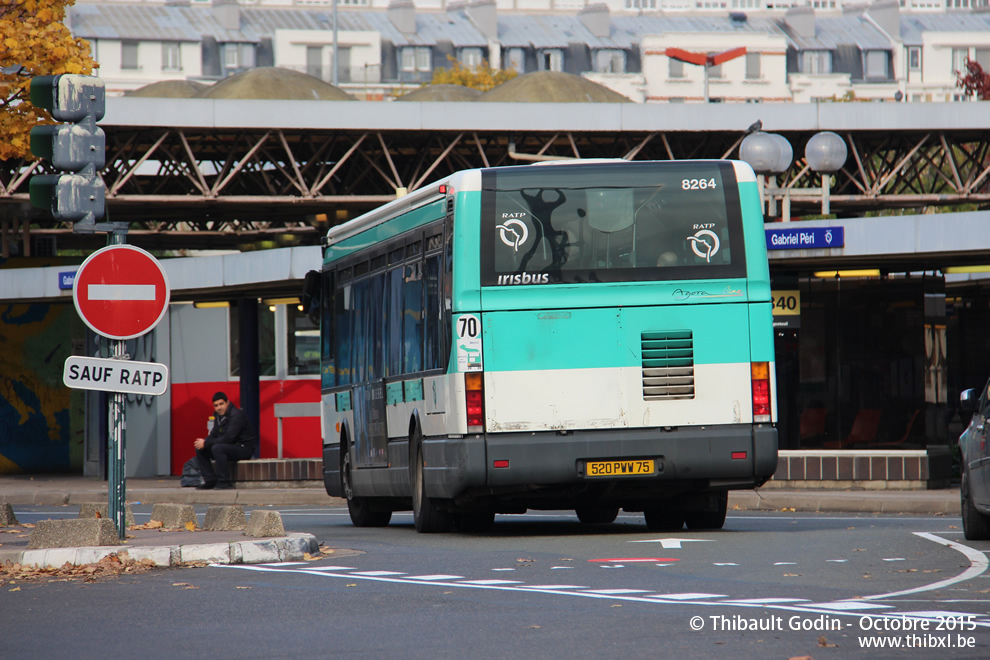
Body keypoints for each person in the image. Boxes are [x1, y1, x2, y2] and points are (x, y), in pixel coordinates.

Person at [194, 392, 256, 490]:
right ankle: (210, 480)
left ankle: (224, 482)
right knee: (200, 449)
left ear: (228, 403)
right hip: (230, 446)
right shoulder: (218, 416)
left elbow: (228, 438)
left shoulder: (236, 415)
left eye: (221, 404)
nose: (219, 408)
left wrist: (206, 443)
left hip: (244, 448)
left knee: (217, 448)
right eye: (216, 405)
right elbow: (213, 434)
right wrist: (203, 442)